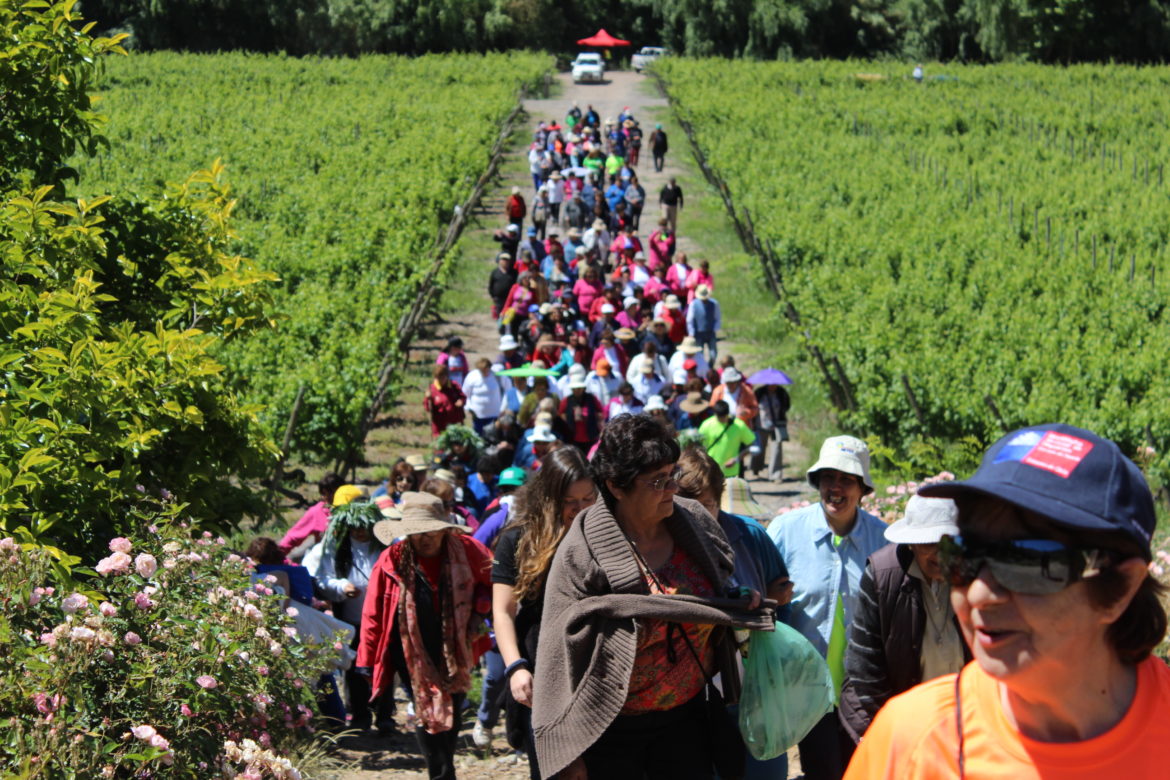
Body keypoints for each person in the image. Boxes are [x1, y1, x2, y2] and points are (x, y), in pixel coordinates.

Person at [845, 423, 1170, 779]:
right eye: (963, 555)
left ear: (1122, 587)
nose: (980, 594)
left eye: (1027, 562)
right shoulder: (909, 740)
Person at [532, 414, 774, 780]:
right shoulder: (581, 550)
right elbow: (555, 651)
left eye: (673, 475)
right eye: (658, 481)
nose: (672, 489)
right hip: (610, 727)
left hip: (688, 717)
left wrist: (739, 600)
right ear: (616, 486)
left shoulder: (693, 522)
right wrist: (565, 751)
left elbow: (720, 588)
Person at [767, 436, 887, 780]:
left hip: (862, 688)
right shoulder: (786, 532)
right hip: (805, 687)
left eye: (847, 479)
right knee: (822, 770)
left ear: (863, 488)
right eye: (828, 477)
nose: (835, 488)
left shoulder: (883, 542)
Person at [357, 492, 493, 780]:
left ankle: (446, 764)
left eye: (431, 530)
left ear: (444, 528)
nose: (425, 538)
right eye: (417, 532)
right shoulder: (391, 559)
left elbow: (497, 581)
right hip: (408, 649)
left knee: (453, 702)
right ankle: (439, 771)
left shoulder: (468, 550)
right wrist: (366, 659)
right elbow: (373, 611)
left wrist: (480, 609)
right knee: (425, 705)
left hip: (456, 644)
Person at [491, 448, 596, 779]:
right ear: (548, 498)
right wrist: (516, 668)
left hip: (597, 674)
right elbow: (503, 611)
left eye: (588, 498)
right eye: (569, 501)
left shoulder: (606, 534)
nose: (580, 509)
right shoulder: (517, 540)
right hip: (541, 677)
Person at [838, 495, 971, 744]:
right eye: (928, 543)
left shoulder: (975, 573)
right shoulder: (883, 575)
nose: (940, 554)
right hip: (901, 715)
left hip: (965, 717)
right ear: (911, 543)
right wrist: (898, 730)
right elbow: (865, 663)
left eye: (949, 542)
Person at [317, 499, 393, 733]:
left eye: (364, 527)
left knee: (384, 665)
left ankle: (384, 715)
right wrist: (341, 588)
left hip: (382, 619)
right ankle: (360, 715)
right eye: (355, 527)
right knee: (354, 667)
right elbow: (322, 580)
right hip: (351, 619)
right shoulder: (337, 549)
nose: (360, 532)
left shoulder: (383, 546)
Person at [278, 472, 346, 558]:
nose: (327, 497)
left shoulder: (353, 510)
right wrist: (272, 557)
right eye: (324, 493)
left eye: (332, 492)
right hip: (326, 561)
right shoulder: (317, 512)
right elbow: (293, 537)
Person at [698, 400, 756, 478]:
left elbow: (751, 445)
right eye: (719, 417)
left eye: (724, 417)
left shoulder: (739, 425)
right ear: (715, 414)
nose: (722, 420)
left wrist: (736, 459)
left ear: (728, 414)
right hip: (710, 470)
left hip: (730, 472)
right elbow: (698, 447)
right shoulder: (706, 425)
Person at [752, 383, 791, 481]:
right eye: (771, 384)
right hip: (761, 425)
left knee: (777, 449)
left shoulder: (782, 393)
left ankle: (775, 474)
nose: (773, 386)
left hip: (776, 426)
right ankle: (756, 468)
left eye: (775, 384)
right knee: (760, 449)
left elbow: (787, 405)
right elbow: (753, 406)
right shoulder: (759, 393)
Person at [462, 359, 503, 436]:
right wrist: (468, 407)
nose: (485, 372)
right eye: (482, 370)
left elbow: (507, 389)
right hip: (478, 414)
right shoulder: (472, 376)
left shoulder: (496, 375)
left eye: (486, 370)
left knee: (492, 435)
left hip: (494, 414)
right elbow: (465, 393)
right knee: (478, 435)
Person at [424, 364, 466, 437]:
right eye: (439, 378)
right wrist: (428, 398)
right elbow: (428, 408)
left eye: (443, 377)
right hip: (440, 426)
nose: (442, 380)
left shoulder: (454, 386)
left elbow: (463, 397)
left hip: (455, 423)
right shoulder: (432, 389)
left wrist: (461, 401)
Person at [686, 284, 721, 364]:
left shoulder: (714, 303)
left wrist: (715, 328)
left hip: (710, 331)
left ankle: (710, 366)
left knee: (713, 354)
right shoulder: (694, 304)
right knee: (699, 354)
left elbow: (717, 317)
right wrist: (691, 332)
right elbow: (689, 319)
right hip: (698, 333)